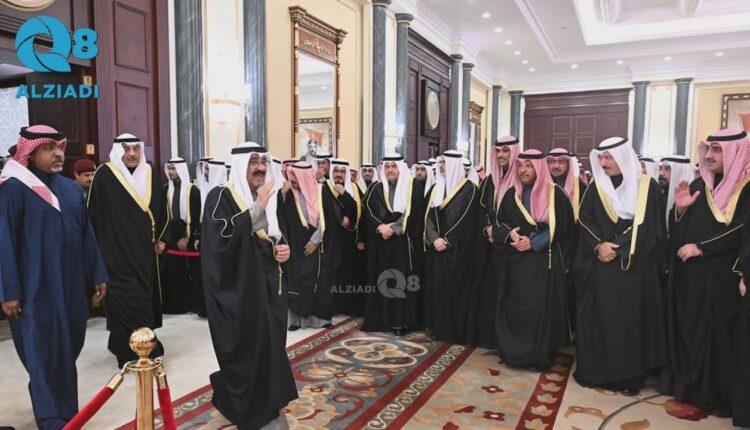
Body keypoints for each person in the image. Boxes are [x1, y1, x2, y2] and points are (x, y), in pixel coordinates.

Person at [0, 125, 108, 429]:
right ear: (30, 154)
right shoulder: (14, 189)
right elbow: (4, 241)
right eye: (48, 149)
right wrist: (9, 291)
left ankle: (67, 413)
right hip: (34, 289)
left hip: (71, 287)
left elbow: (87, 235)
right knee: (43, 355)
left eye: (59, 147)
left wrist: (97, 273)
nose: (58, 153)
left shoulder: (71, 189)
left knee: (67, 350)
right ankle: (51, 420)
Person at [201, 142, 297, 429]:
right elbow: (220, 245)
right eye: (253, 161)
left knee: (271, 346)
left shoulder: (266, 197)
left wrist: (282, 250)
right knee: (248, 350)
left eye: (263, 162)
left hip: (268, 288)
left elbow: (273, 238)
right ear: (241, 164)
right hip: (240, 293)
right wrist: (256, 210)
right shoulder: (221, 196)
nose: (260, 167)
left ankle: (268, 400)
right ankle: (249, 406)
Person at [659, 129, 750, 417]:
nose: (709, 156)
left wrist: (702, 248)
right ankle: (691, 389)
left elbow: (742, 230)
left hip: (725, 278)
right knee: (692, 331)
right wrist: (679, 211)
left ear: (736, 152)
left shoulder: (747, 187)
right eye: (708, 149)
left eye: (717, 150)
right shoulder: (700, 184)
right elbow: (679, 232)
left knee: (720, 337)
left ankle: (716, 395)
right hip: (691, 279)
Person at [573, 137, 666, 396]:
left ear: (623, 157)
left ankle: (628, 377)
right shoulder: (596, 187)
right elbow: (584, 221)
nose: (603, 163)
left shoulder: (647, 187)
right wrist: (598, 246)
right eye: (601, 157)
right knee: (600, 321)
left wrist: (619, 249)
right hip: (601, 268)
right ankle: (597, 372)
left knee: (629, 324)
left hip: (634, 271)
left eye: (609, 157)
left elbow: (652, 227)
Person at [87, 133, 169, 367]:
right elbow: (92, 214)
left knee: (143, 296)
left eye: (135, 149)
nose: (132, 154)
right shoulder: (104, 174)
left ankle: (137, 341)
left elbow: (162, 207)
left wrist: (162, 237)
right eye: (126, 149)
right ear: (117, 151)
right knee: (124, 298)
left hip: (144, 252)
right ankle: (129, 348)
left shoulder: (150, 173)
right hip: (114, 252)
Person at [492, 149, 575, 370]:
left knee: (538, 311)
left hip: (543, 263)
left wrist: (534, 242)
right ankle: (515, 352)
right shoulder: (512, 194)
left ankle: (538, 356)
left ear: (538, 167)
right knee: (516, 308)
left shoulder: (555, 194)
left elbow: (563, 227)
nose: (523, 170)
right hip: (516, 263)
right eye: (520, 165)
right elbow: (499, 223)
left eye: (528, 165)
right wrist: (509, 233)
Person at [363, 153, 425, 335]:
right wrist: (380, 227)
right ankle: (383, 320)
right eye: (387, 166)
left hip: (403, 242)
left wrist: (394, 228)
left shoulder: (413, 185)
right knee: (384, 279)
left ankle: (401, 322)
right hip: (382, 242)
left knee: (401, 281)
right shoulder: (376, 187)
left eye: (394, 166)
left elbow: (414, 213)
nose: (390, 170)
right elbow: (369, 211)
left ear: (401, 168)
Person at [423, 151, 480, 344]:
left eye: (444, 163)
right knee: (437, 289)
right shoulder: (436, 187)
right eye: (439, 163)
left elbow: (466, 220)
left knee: (455, 291)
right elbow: (427, 217)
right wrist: (434, 239)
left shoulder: (470, 189)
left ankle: (454, 331)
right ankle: (437, 327)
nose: (440, 166)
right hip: (437, 249)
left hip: (458, 252)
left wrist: (447, 240)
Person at [282, 161, 334, 330]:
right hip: (296, 244)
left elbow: (328, 218)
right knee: (297, 281)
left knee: (318, 281)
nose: (292, 178)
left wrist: (315, 240)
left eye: (295, 175)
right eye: (291, 175)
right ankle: (296, 320)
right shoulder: (290, 193)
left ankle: (319, 319)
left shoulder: (321, 191)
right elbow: (281, 215)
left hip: (317, 244)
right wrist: (282, 193)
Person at [161, 157, 202, 315]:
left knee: (187, 272)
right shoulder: (165, 190)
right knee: (171, 272)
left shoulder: (193, 190)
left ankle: (188, 304)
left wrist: (186, 237)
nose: (171, 172)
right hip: (170, 236)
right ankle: (172, 306)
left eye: (174, 169)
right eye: (169, 169)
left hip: (187, 235)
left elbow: (196, 216)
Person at [325, 159, 367, 316]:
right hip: (330, 239)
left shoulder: (355, 189)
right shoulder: (324, 188)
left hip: (349, 240)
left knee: (349, 275)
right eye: (336, 171)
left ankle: (348, 307)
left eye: (342, 171)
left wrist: (344, 194)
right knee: (332, 275)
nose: (339, 174)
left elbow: (362, 214)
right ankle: (333, 307)